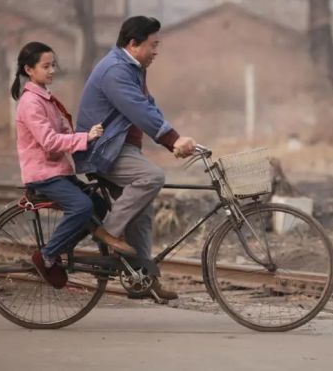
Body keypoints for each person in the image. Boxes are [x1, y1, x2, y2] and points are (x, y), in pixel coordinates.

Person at [75, 16, 197, 301]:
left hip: (119, 148)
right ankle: (109, 231)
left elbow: (148, 106)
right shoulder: (116, 71)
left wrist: (175, 141)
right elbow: (138, 110)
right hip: (102, 149)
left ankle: (142, 279)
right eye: (153, 45)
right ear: (133, 43)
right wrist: (172, 138)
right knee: (152, 177)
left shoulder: (133, 68)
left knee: (142, 214)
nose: (156, 51)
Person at [12, 41, 116, 289]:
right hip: (43, 174)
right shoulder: (30, 103)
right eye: (46, 66)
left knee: (98, 206)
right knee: (81, 206)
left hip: (58, 171)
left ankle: (57, 250)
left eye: (53, 65)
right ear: (29, 69)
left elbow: (63, 131)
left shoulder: (45, 99)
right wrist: (85, 138)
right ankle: (47, 255)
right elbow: (49, 141)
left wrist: (89, 136)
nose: (52, 71)